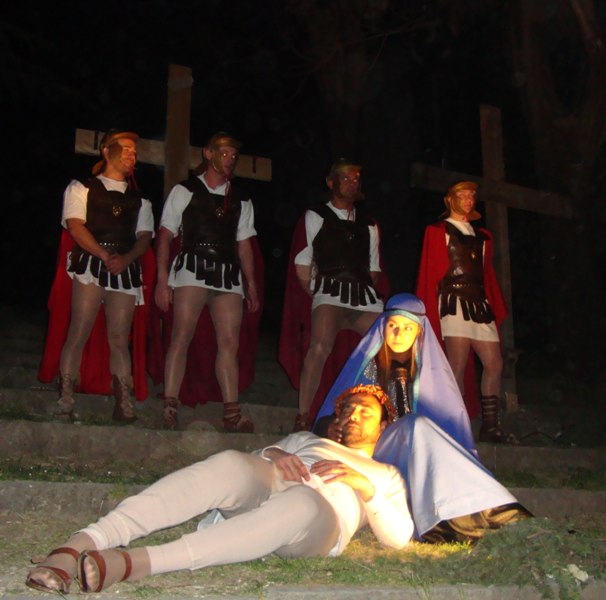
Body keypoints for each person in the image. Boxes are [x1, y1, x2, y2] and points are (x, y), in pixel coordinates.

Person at [25, 385, 413, 594]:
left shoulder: (384, 473)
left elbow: (398, 539)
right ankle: (82, 542)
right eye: (347, 408)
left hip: (317, 522)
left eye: (366, 411)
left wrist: (365, 487)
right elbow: (254, 462)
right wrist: (276, 453)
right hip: (278, 481)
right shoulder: (306, 439)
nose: (353, 414)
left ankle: (137, 563)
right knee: (230, 463)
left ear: (383, 427)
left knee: (303, 503)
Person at [38, 129, 155, 422]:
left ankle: (123, 402)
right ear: (106, 150)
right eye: (125, 149)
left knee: (119, 338)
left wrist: (125, 259)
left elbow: (144, 237)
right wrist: (103, 255)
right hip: (90, 264)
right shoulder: (82, 188)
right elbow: (75, 226)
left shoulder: (141, 200)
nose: (131, 155)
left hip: (124, 270)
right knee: (79, 330)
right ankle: (66, 397)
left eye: (134, 152)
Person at [153, 132, 261, 431]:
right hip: (192, 269)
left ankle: (232, 412)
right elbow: (165, 235)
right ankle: (170, 405)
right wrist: (162, 280)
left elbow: (244, 245)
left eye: (233, 155)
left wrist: (251, 283)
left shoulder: (241, 200)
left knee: (229, 343)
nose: (230, 159)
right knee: (181, 336)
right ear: (208, 154)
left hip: (228, 275)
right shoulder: (185, 190)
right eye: (224, 153)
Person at [279, 158, 388, 432]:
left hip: (363, 296)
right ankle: (303, 415)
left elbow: (374, 269)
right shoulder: (316, 216)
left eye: (356, 179)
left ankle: (388, 413)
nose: (352, 184)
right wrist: (317, 293)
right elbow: (302, 262)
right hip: (329, 293)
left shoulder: (369, 224)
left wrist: (360, 289)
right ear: (331, 182)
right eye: (346, 178)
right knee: (319, 348)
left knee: (387, 346)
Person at [313, 293, 476, 454]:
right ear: (383, 326)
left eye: (408, 328)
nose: (399, 334)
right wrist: (329, 427)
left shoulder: (431, 373)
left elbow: (450, 425)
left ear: (419, 331)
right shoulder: (367, 365)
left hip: (419, 449)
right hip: (373, 447)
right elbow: (337, 412)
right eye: (393, 326)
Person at [415, 181, 514, 443]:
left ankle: (490, 425)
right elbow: (432, 272)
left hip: (479, 304)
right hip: (453, 302)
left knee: (494, 363)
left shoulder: (484, 237)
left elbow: (486, 274)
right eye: (462, 195)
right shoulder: (438, 231)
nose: (468, 199)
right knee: (456, 365)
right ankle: (456, 425)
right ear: (450, 200)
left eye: (471, 195)